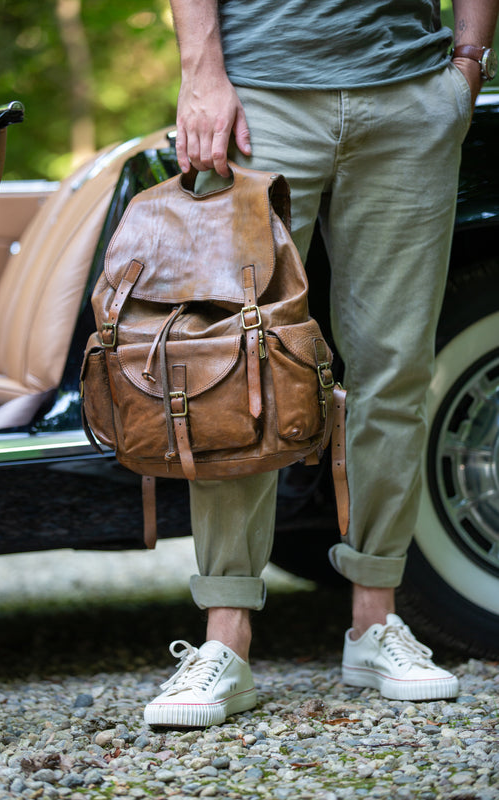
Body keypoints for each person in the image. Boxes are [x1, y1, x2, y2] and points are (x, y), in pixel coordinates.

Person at [144, 0, 499, 727]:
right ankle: (224, 639)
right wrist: (201, 72)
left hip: (408, 93)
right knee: (235, 366)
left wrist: (467, 61)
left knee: (394, 367)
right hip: (260, 98)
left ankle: (374, 622)